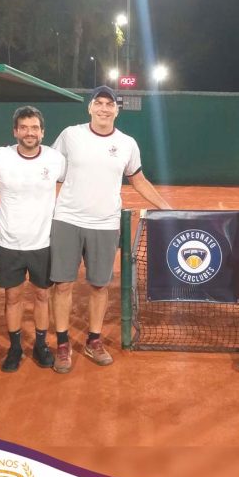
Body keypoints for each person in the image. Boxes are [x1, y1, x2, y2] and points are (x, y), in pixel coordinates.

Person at [50, 85, 171, 373]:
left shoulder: (127, 143)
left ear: (117, 110)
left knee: (99, 285)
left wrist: (166, 207)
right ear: (90, 107)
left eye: (110, 104)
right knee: (62, 285)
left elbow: (138, 179)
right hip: (67, 220)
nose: (104, 108)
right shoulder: (70, 135)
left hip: (105, 224)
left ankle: (93, 340)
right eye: (99, 103)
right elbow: (48, 168)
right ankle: (63, 344)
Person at [0, 106, 66, 372]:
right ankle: (15, 348)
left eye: (34, 128)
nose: (29, 132)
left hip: (43, 243)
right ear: (15, 131)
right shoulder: (0, 156)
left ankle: (41, 345)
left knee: (43, 296)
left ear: (42, 132)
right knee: (12, 297)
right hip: (10, 243)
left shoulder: (56, 159)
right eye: (23, 128)